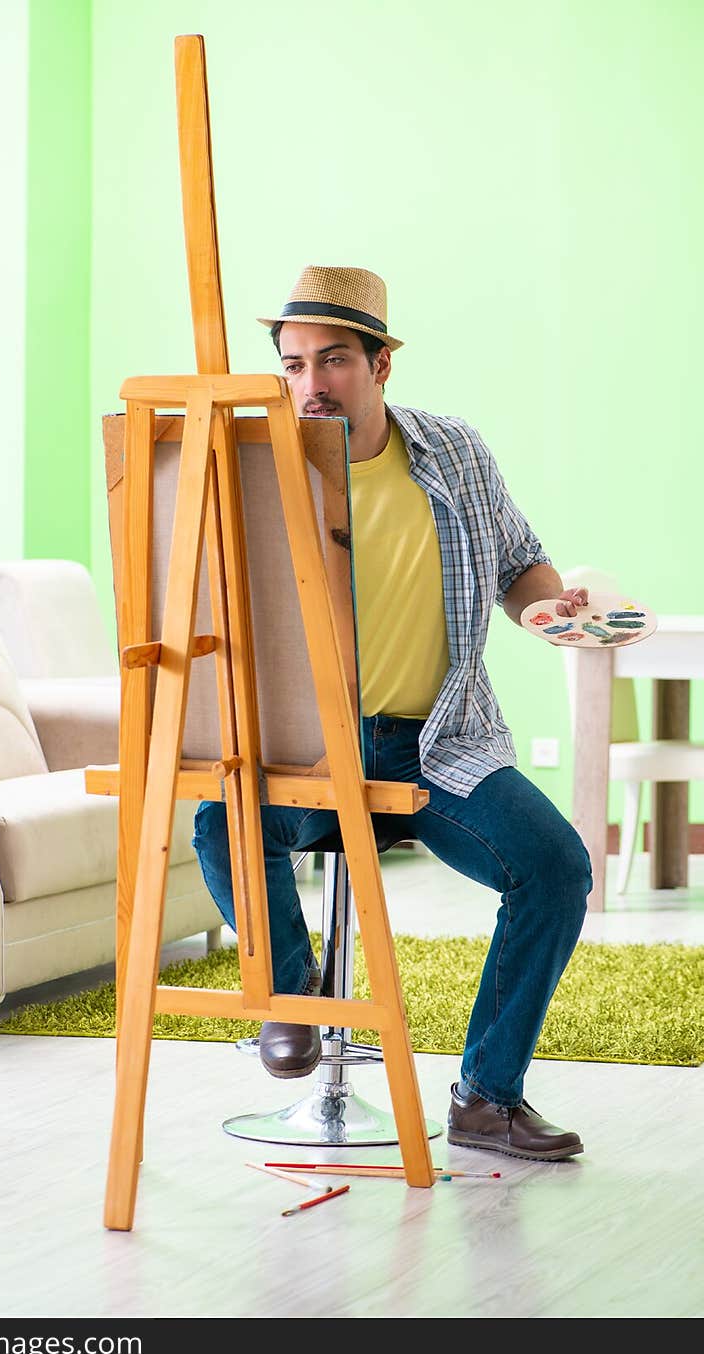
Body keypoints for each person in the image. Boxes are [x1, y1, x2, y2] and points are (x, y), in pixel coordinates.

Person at [192, 264, 592, 1162]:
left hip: (435, 740)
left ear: (380, 366)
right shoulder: (259, 465)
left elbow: (520, 559)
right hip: (303, 744)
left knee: (557, 869)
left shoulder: (452, 452)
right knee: (222, 820)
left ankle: (488, 1097)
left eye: (332, 360)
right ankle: (295, 1002)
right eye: (293, 364)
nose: (310, 384)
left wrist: (543, 607)